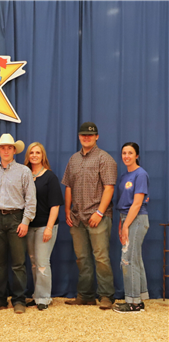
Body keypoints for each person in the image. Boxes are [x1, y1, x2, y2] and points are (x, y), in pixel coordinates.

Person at [62, 122, 117, 310]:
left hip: (98, 216)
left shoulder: (105, 159)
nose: (86, 137)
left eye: (90, 135)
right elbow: (68, 186)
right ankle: (85, 295)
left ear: (97, 137)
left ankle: (106, 295)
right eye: (83, 135)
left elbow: (109, 188)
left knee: (101, 257)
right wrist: (67, 210)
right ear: (79, 136)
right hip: (77, 217)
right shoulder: (73, 159)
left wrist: (100, 212)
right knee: (82, 258)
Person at [0, 133, 36, 314]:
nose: (6, 150)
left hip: (16, 218)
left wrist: (25, 221)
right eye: (3, 147)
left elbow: (30, 199)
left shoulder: (24, 171)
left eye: (9, 147)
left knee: (18, 262)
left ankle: (19, 299)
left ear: (14, 150)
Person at [23, 142, 63, 311]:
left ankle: (44, 298)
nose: (34, 155)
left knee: (42, 263)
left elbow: (55, 205)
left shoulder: (50, 177)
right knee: (33, 263)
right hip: (29, 226)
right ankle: (37, 295)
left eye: (37, 152)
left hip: (45, 226)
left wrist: (49, 227)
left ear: (42, 155)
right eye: (31, 152)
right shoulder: (24, 175)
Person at [113, 142, 150, 313]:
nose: (126, 156)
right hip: (126, 218)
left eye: (130, 153)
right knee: (135, 258)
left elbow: (137, 203)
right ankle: (140, 297)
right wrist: (122, 224)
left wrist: (126, 225)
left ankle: (133, 302)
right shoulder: (124, 176)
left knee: (127, 260)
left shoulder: (140, 174)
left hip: (136, 219)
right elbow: (122, 204)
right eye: (124, 153)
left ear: (137, 155)